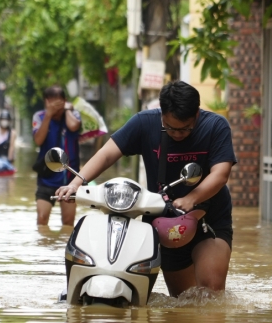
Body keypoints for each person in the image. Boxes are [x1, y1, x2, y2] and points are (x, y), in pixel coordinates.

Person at [54, 81, 237, 297]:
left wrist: (192, 198)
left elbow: (220, 174)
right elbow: (107, 154)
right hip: (164, 220)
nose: (177, 134)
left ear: (196, 114)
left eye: (185, 128)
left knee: (210, 294)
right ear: (162, 114)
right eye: (170, 128)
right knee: (182, 302)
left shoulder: (215, 126)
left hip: (208, 216)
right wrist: (76, 182)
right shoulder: (144, 123)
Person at [33, 85, 81, 226]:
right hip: (47, 178)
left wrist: (66, 110)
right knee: (42, 219)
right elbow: (38, 140)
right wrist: (49, 114)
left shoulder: (73, 114)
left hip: (69, 178)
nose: (55, 106)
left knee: (68, 223)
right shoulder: (40, 117)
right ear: (46, 102)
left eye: (59, 102)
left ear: (65, 101)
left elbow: (74, 126)